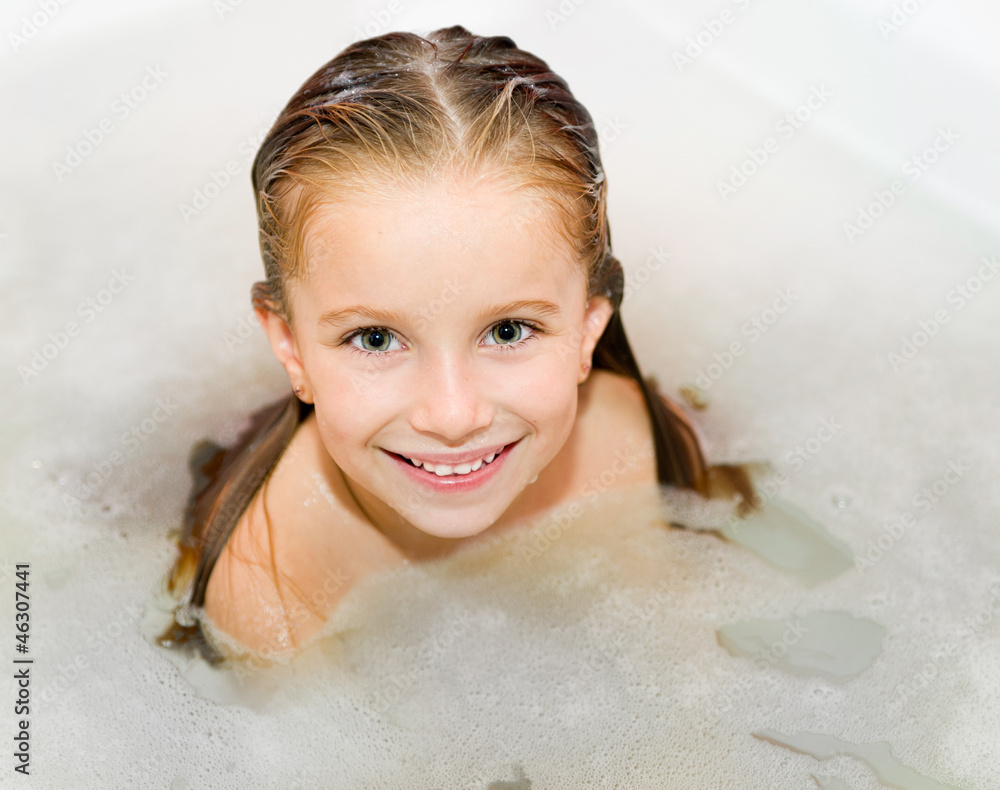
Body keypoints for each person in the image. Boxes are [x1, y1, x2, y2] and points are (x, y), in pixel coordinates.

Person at [159, 25, 740, 665]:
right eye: (376, 338)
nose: (454, 415)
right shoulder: (272, 579)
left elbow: (680, 678)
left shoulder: (625, 443)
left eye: (508, 331)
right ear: (290, 346)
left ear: (589, 328)